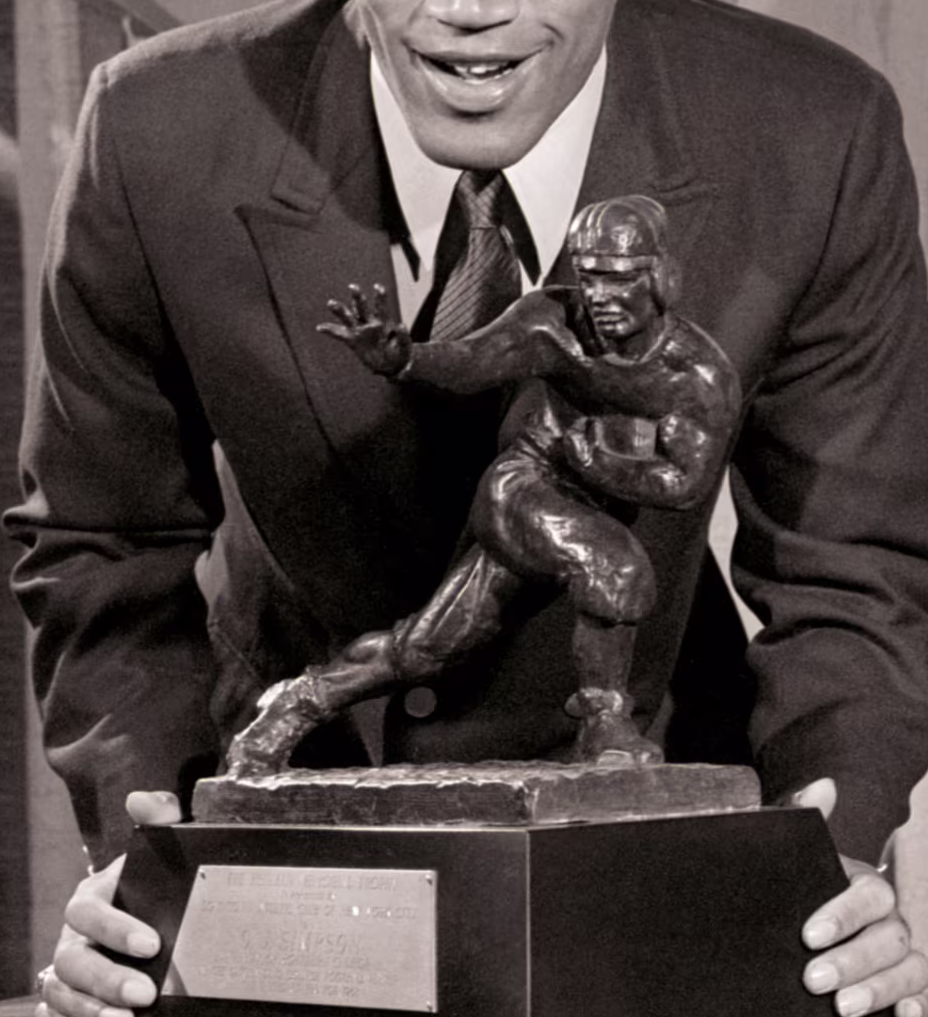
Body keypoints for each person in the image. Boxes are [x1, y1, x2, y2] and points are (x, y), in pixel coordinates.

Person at [8, 0, 928, 1017]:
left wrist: (830, 850)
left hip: (651, 843)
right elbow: (98, 542)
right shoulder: (156, 136)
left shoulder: (811, 137)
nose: (468, 0)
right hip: (287, 854)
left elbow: (856, 567)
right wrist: (143, 841)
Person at [227, 194, 743, 777]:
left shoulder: (695, 376)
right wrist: (405, 360)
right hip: (524, 484)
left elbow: (684, 483)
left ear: (660, 278)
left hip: (578, 494)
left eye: (620, 279)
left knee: (428, 648)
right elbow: (472, 359)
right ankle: (607, 725)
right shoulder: (551, 322)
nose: (600, 297)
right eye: (589, 276)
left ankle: (295, 703)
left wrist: (600, 466)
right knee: (615, 567)